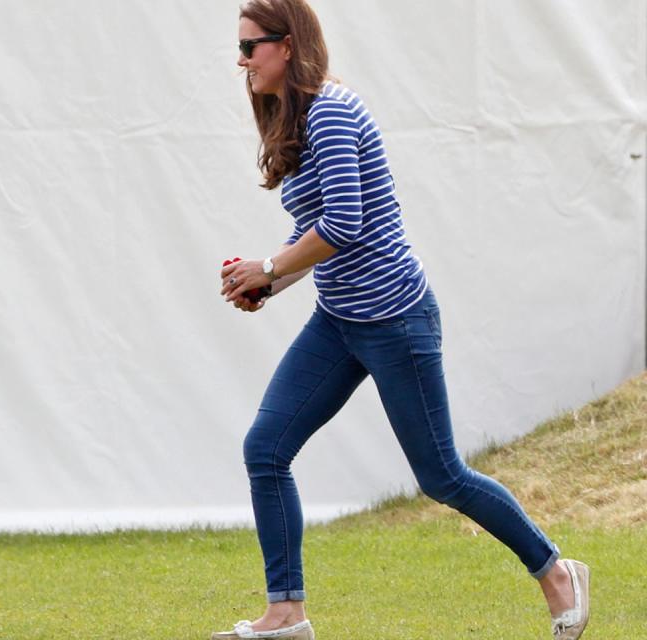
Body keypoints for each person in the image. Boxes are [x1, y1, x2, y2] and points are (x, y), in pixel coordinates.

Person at [212, 1, 590, 639]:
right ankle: (286, 614)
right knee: (266, 449)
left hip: (395, 319)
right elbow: (314, 231)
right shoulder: (298, 118)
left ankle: (558, 573)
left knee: (441, 475)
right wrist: (269, 284)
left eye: (251, 47)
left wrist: (268, 267)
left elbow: (344, 225)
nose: (241, 59)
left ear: (288, 44)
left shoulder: (331, 112)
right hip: (338, 320)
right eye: (239, 47)